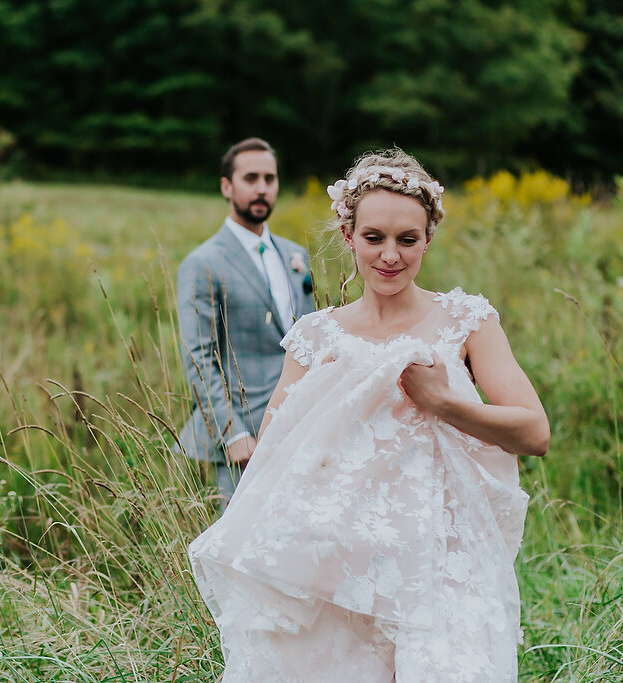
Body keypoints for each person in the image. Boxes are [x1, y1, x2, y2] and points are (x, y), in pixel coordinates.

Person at [188, 149, 550, 682]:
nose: (390, 256)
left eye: (408, 240)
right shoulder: (316, 338)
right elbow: (272, 459)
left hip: (441, 562)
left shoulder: (467, 321)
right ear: (347, 235)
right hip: (341, 564)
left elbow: (535, 432)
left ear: (428, 239)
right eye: (374, 237)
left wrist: (444, 402)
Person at [176, 138, 316, 506]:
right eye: (250, 178)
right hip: (245, 435)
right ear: (227, 186)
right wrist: (232, 433)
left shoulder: (295, 255)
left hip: (302, 424)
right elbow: (199, 356)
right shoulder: (202, 263)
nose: (261, 188)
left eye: (269, 178)